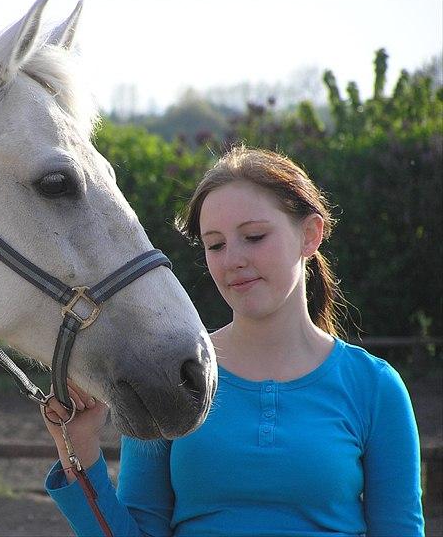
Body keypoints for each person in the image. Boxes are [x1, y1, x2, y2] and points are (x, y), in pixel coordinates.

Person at [40, 146, 425, 536]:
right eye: (215, 245)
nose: (233, 260)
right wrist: (80, 447)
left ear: (310, 234)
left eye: (254, 236)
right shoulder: (171, 374)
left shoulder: (375, 387)